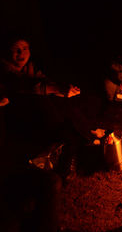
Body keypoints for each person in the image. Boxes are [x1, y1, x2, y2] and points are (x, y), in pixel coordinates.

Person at [0, 36, 105, 180]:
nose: (21, 53)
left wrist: (63, 91)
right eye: (15, 50)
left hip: (38, 108)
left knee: (77, 102)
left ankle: (85, 134)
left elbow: (44, 82)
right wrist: (55, 89)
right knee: (48, 104)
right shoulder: (4, 69)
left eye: (25, 48)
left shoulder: (30, 67)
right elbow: (25, 86)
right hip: (17, 114)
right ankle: (72, 151)